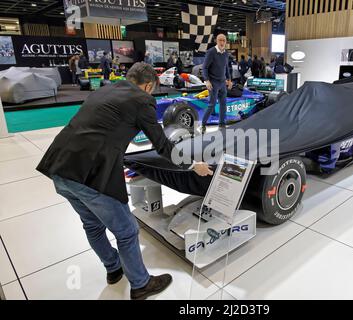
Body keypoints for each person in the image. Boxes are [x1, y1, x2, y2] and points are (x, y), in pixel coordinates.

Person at [36, 62, 212, 300]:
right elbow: (163, 146)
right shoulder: (142, 100)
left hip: (59, 167)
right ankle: (141, 285)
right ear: (148, 85)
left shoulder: (104, 90)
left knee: (92, 225)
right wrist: (194, 165)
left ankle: (113, 268)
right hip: (89, 175)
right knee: (127, 231)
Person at [201, 33, 233, 134]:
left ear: (226, 42)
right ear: (216, 41)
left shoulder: (226, 53)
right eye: (220, 40)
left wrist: (229, 79)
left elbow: (226, 67)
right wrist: (207, 80)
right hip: (213, 83)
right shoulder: (211, 52)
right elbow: (204, 67)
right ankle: (203, 124)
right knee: (212, 104)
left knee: (223, 104)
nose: (222, 42)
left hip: (222, 82)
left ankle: (222, 124)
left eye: (224, 40)